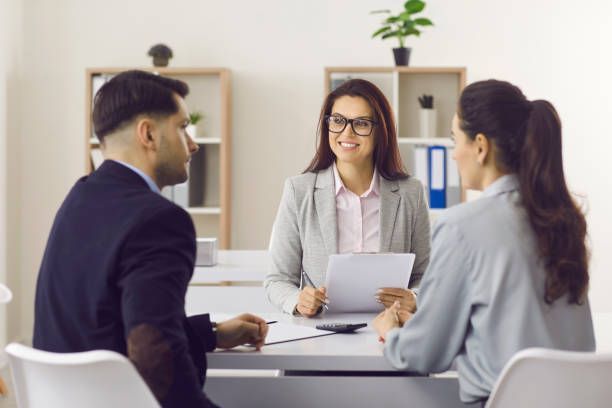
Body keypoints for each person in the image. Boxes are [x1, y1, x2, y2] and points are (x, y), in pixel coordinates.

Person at [33, 70, 268, 408]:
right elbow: (156, 363)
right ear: (148, 134)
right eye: (183, 127)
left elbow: (107, 326)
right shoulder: (160, 220)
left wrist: (211, 334)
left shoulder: (79, 198)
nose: (193, 144)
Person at [373, 79, 596, 405]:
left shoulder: (460, 227)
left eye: (454, 140)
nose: (452, 155)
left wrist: (391, 331)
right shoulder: (563, 219)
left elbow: (423, 356)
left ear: (480, 146)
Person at [264, 79, 431, 317]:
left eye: (361, 123)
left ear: (380, 131)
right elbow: (277, 280)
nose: (347, 132)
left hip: (392, 330)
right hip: (321, 333)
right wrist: (298, 300)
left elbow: (428, 276)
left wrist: (414, 297)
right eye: (338, 121)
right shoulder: (298, 191)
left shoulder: (410, 193)